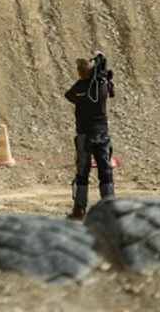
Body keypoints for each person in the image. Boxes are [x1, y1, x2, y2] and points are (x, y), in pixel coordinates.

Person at [64, 51, 115, 220]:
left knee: (82, 173)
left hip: (84, 135)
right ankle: (109, 210)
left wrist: (85, 82)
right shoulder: (102, 85)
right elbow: (110, 88)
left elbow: (68, 95)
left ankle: (79, 210)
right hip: (102, 134)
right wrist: (101, 67)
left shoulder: (80, 87)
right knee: (105, 172)